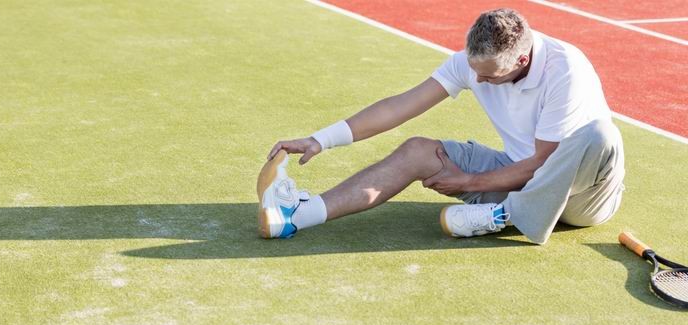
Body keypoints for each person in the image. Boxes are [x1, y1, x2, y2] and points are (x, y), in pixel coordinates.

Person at [258, 8, 625, 244]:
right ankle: (298, 216)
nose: (477, 82)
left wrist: (468, 183)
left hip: (583, 198)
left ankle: (505, 216)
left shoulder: (566, 71)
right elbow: (399, 106)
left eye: (489, 76)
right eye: (473, 71)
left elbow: (541, 165)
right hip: (516, 178)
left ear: (522, 60)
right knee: (418, 149)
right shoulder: (473, 64)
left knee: (600, 135)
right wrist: (320, 140)